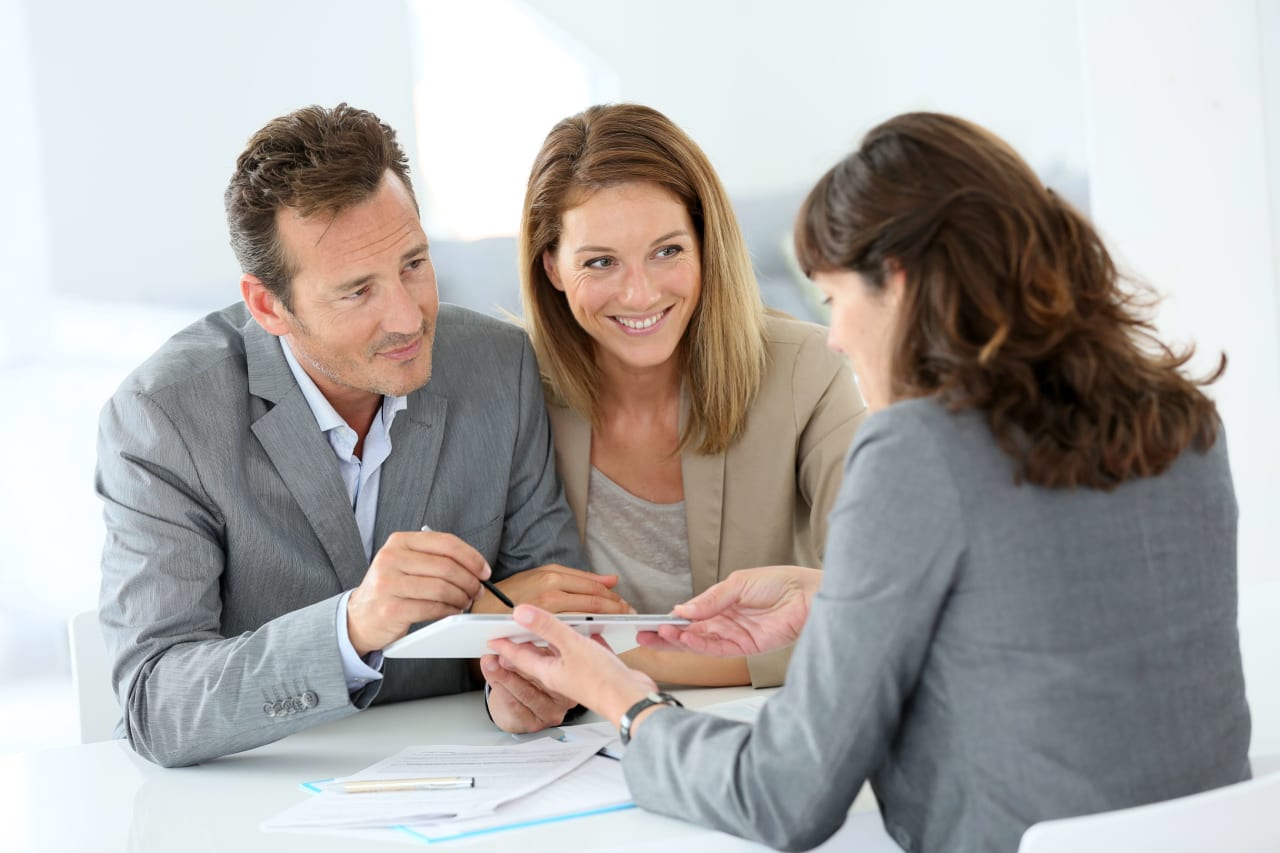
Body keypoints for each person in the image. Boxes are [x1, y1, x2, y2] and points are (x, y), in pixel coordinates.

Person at [488, 112, 1252, 852]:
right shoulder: (1182, 421)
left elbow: (781, 795)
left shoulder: (916, 451)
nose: (836, 335)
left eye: (834, 298)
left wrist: (627, 702)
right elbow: (1044, 615)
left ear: (899, 279)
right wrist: (832, 597)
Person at [95, 103, 629, 768]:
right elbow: (155, 705)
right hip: (256, 801)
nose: (408, 317)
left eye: (413, 263)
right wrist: (353, 626)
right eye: (357, 291)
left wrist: (520, 693)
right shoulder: (166, 417)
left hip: (472, 783)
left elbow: (555, 612)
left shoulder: (498, 365)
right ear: (268, 306)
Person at [517, 103, 866, 689]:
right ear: (552, 267)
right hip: (571, 748)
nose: (639, 293)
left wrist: (637, 667)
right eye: (600, 262)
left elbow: (882, 600)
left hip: (764, 732)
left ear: (706, 244)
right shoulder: (517, 391)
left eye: (667, 251)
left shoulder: (808, 370)